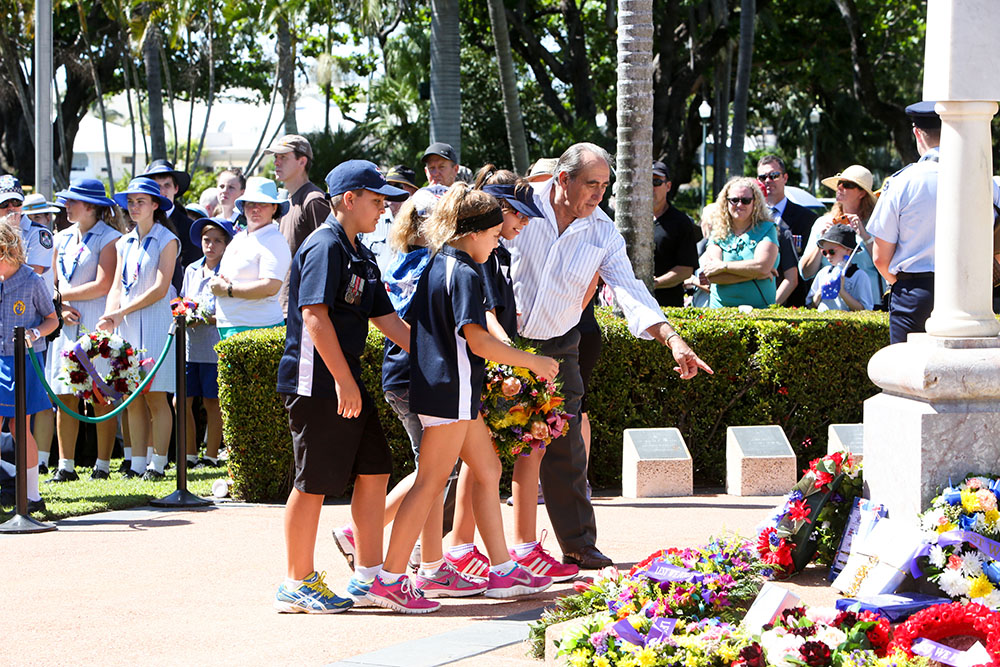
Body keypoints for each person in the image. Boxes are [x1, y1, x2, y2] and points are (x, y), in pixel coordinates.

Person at [508, 143, 712, 569]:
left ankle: (580, 545)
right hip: (501, 343)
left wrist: (673, 339)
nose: (599, 195)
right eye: (591, 184)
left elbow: (631, 292)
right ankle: (426, 541)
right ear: (563, 180)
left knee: (565, 450)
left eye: (605, 185)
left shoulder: (603, 231)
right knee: (475, 449)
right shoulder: (519, 207)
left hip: (559, 346)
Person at [367, 183, 555, 613]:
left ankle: (503, 568)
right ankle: (391, 579)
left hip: (449, 389)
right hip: (450, 390)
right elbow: (479, 342)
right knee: (431, 482)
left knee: (487, 468)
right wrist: (533, 362)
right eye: (493, 234)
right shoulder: (465, 271)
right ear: (473, 233)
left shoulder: (440, 262)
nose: (497, 240)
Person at [273, 160, 410, 614]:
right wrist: (344, 382)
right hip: (320, 381)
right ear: (348, 200)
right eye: (375, 200)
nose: (384, 207)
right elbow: (314, 316)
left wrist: (437, 353)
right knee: (312, 482)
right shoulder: (324, 245)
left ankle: (369, 576)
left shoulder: (361, 251)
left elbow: (385, 318)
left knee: (375, 469)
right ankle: (296, 580)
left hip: (342, 377)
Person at [99, 177, 178, 480]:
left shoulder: (167, 239)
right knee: (132, 396)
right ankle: (135, 464)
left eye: (140, 201)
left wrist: (121, 312)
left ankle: (158, 465)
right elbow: (117, 285)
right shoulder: (124, 241)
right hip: (127, 326)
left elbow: (161, 288)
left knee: (156, 396)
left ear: (156, 205)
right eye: (130, 202)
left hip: (157, 324)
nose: (133, 207)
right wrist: (109, 317)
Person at [46, 179, 122, 481]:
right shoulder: (60, 237)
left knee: (100, 395)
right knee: (66, 394)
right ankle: (66, 465)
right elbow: (53, 282)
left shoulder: (111, 238)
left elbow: (103, 284)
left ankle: (102, 465)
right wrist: (60, 307)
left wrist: (62, 298)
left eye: (72, 201)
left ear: (91, 207)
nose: (66, 206)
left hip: (96, 322)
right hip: (66, 324)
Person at [867, 102, 942, 344]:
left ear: (917, 133)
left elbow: (880, 257)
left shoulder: (903, 182)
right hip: (968, 292)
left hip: (914, 292)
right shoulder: (984, 180)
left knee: (905, 377)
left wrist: (903, 284)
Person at [0, 218, 59, 513]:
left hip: (23, 361)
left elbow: (52, 319)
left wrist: (35, 333)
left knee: (18, 426)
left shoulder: (31, 280)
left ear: (6, 250)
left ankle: (33, 496)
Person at [209, 177, 292, 339]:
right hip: (233, 327)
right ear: (244, 207)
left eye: (263, 204)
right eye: (251, 204)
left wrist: (227, 290)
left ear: (274, 208)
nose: (256, 209)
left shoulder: (274, 239)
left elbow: (270, 287)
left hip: (257, 329)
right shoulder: (240, 237)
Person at [181, 217, 234, 468]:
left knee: (212, 401)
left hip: (213, 345)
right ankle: (190, 454)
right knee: (183, 399)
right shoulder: (192, 269)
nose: (210, 245)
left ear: (226, 245)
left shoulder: (228, 272)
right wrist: (186, 315)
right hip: (191, 345)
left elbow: (229, 309)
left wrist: (206, 317)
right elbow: (183, 301)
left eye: (217, 241)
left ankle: (211, 455)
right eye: (206, 240)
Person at [264, 135, 330, 314]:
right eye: (275, 157)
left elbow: (327, 254)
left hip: (303, 307)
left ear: (302, 161)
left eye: (283, 157)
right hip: (280, 305)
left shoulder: (314, 200)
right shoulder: (283, 201)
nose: (277, 162)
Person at [800, 164, 883, 303]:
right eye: (839, 183)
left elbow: (886, 266)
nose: (840, 187)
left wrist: (865, 237)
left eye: (848, 184)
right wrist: (822, 240)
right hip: (830, 307)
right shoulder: (823, 223)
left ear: (862, 193)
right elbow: (805, 273)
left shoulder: (876, 224)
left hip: (867, 307)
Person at [701, 178, 780, 309]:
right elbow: (712, 276)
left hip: (759, 310)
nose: (739, 204)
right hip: (720, 311)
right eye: (734, 200)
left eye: (746, 200)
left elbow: (762, 266)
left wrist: (724, 266)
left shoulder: (767, 228)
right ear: (726, 202)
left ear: (755, 203)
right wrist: (757, 274)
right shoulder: (718, 231)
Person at [756, 155, 817, 306]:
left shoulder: (807, 219)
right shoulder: (750, 219)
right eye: (762, 177)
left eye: (774, 175)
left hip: (795, 302)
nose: (768, 181)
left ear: (785, 178)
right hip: (757, 296)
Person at [651, 161, 698, 307]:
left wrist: (655, 283)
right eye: (645, 181)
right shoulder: (630, 221)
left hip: (668, 306)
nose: (650, 187)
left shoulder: (681, 222)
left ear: (668, 186)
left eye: (656, 182)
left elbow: (686, 270)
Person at [144, 159, 200, 271]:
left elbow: (192, 268)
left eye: (167, 185)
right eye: (158, 186)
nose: (162, 191)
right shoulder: (142, 222)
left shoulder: (189, 227)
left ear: (176, 188)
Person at [807, 225, 875, 311]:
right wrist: (819, 293)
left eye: (832, 252)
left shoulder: (859, 276)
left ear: (848, 250)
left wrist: (841, 291)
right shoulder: (823, 273)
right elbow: (810, 305)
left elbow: (865, 310)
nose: (828, 256)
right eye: (824, 252)